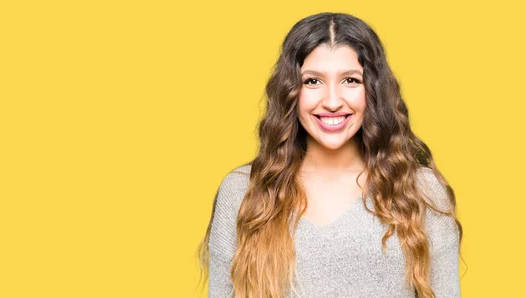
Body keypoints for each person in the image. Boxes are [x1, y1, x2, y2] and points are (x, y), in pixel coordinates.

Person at [196, 12, 463, 298]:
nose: (333, 101)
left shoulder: (420, 191)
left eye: (351, 80)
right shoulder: (242, 191)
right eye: (313, 81)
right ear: (290, 92)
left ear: (373, 91)